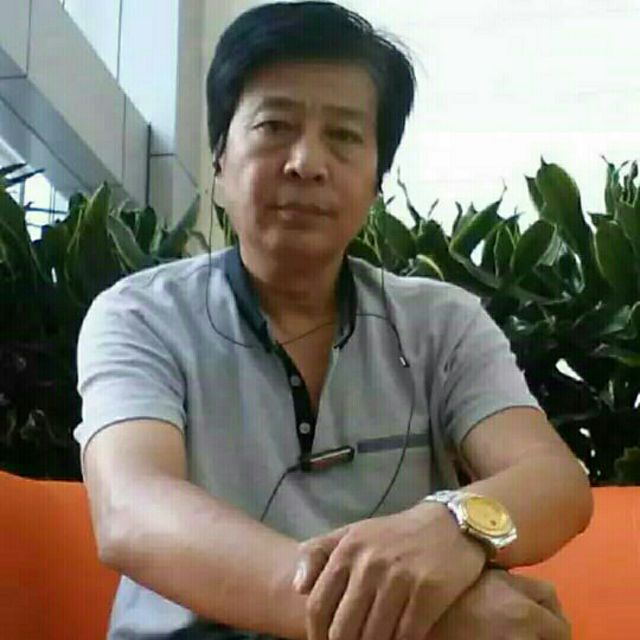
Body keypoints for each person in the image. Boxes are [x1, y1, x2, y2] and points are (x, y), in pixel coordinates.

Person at [75, 3, 592, 639]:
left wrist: (452, 524)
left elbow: (554, 481)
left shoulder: (442, 324)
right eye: (274, 126)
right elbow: (132, 509)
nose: (307, 162)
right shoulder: (142, 316)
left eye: (345, 136)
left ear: (376, 181)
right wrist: (427, 620)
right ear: (220, 162)